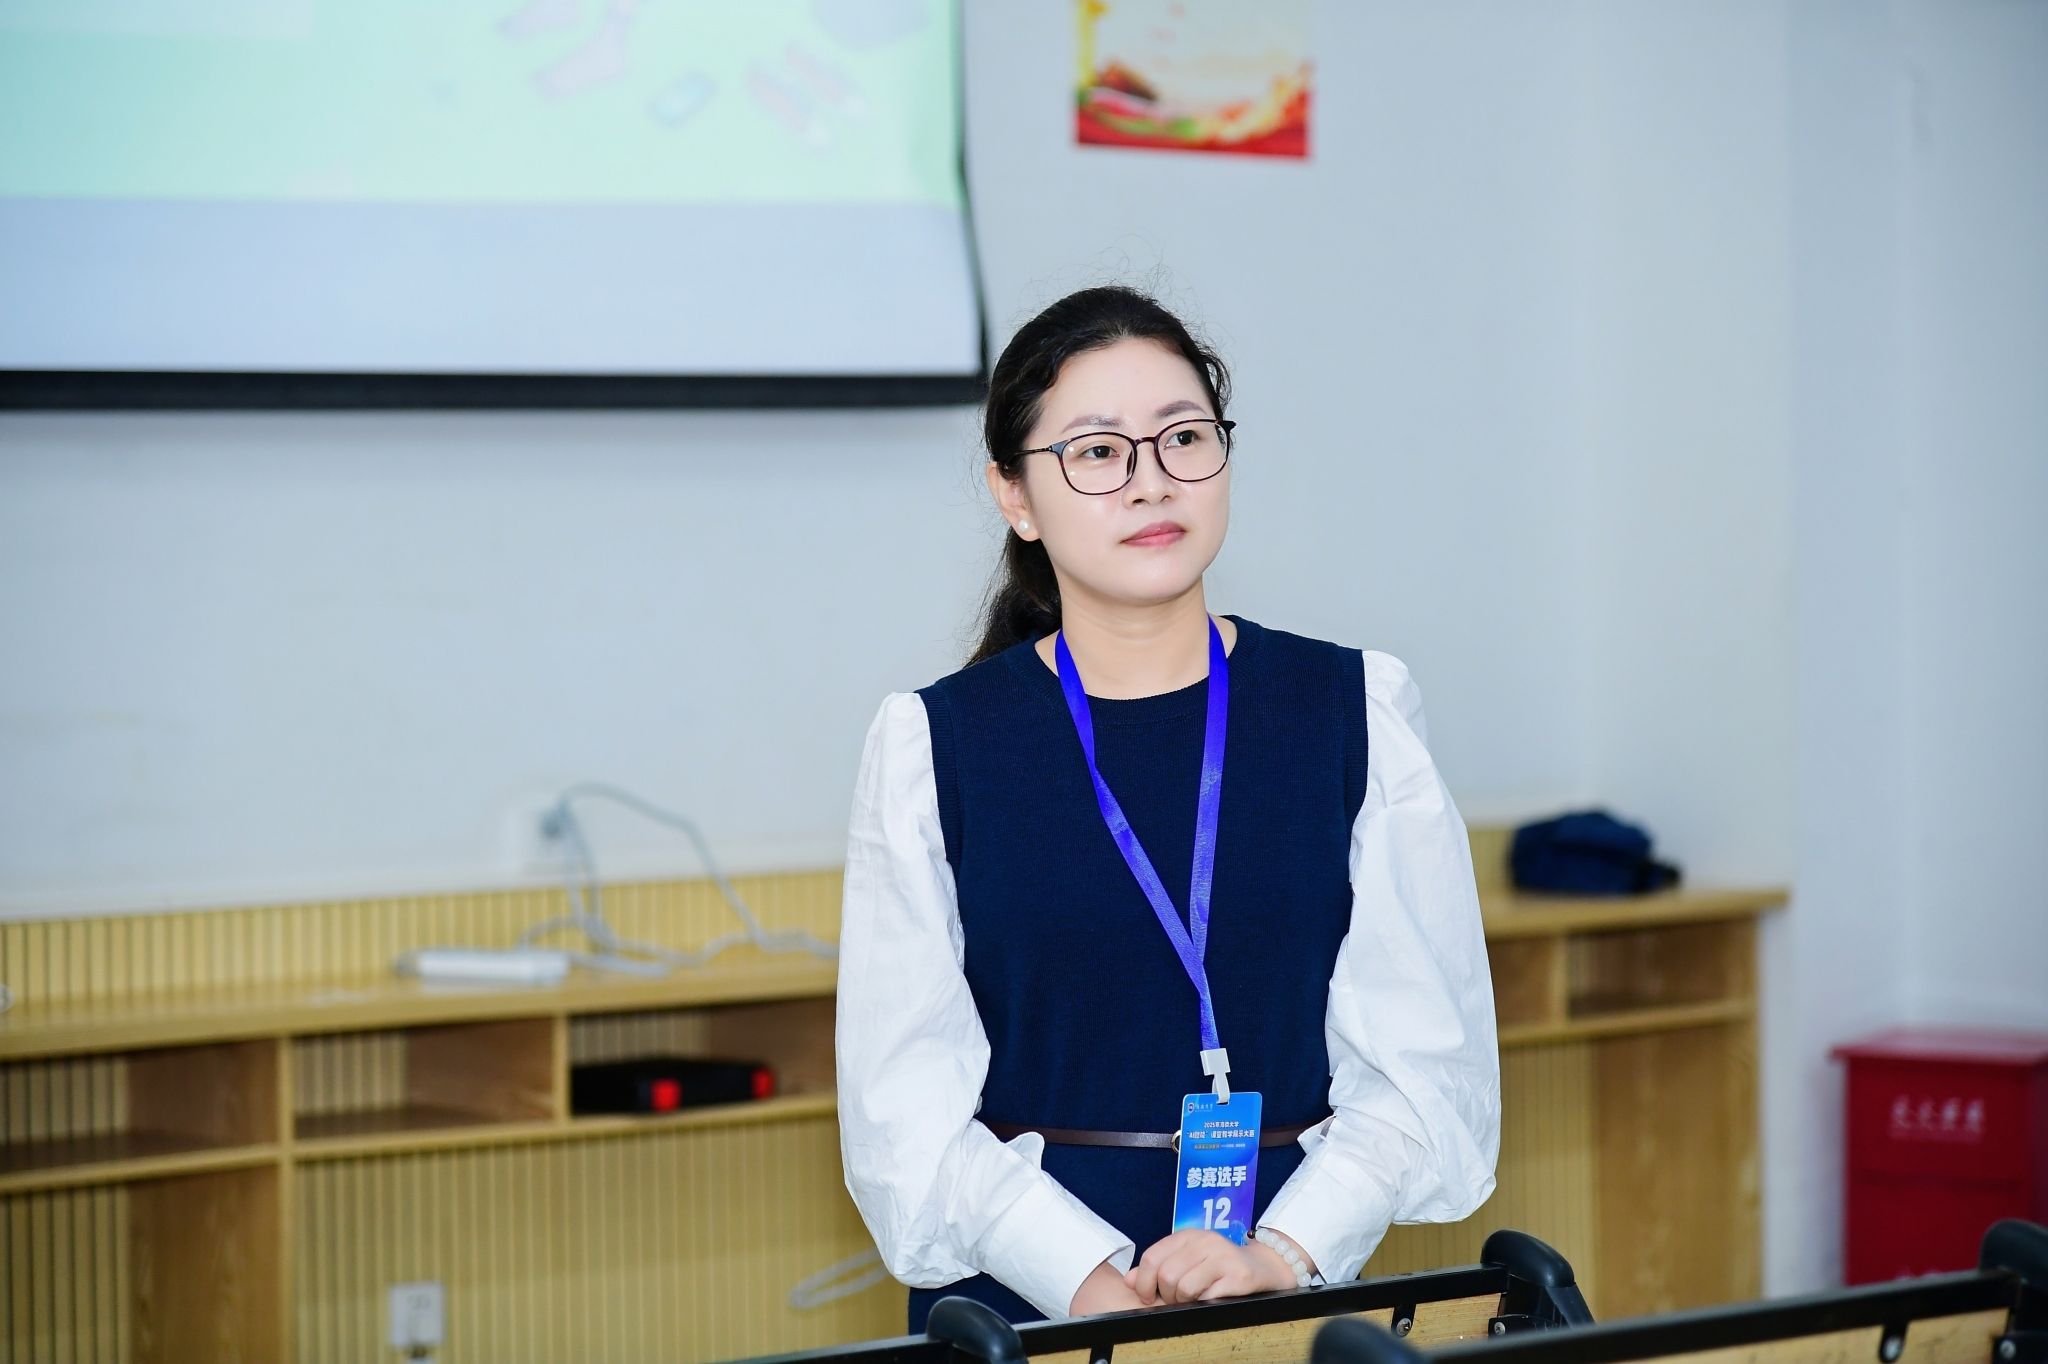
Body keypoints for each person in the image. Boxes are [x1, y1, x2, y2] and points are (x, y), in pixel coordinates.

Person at [835, 285, 1500, 1328]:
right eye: (1098, 452)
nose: (1150, 480)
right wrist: (1089, 1282)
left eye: (1183, 437)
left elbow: (1426, 1069)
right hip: (1024, 1299)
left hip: (1281, 1286)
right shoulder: (933, 743)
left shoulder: (1353, 708)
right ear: (1015, 495)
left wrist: (1281, 1252)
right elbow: (902, 1109)